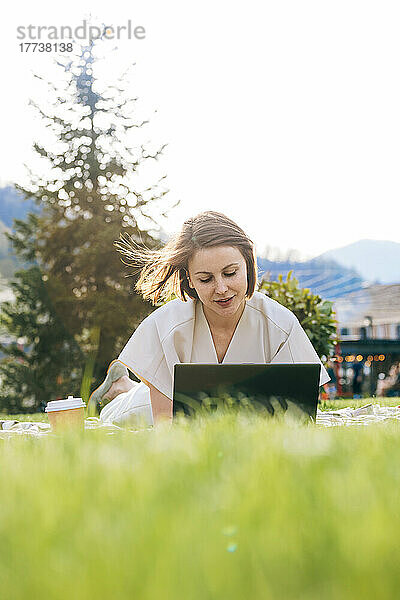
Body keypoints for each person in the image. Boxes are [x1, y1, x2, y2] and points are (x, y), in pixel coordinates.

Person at [89, 211, 330, 426]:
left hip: (242, 420)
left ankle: (127, 386)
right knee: (129, 413)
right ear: (190, 280)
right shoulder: (166, 326)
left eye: (230, 273)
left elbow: (298, 416)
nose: (222, 288)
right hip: (161, 402)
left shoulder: (280, 324)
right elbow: (166, 428)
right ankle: (121, 390)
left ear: (248, 265)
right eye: (206, 279)